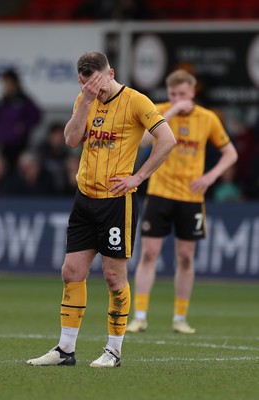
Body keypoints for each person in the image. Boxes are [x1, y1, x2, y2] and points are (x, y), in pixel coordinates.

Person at [26, 51, 176, 368]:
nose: (96, 90)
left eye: (98, 83)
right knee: (71, 272)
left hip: (115, 201)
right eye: (85, 83)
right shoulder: (85, 99)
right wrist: (84, 101)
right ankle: (65, 350)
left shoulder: (137, 101)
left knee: (113, 277)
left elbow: (167, 139)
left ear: (111, 73)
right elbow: (70, 140)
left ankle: (114, 350)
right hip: (84, 198)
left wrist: (139, 176)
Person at [126, 69, 238, 334]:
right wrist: (173, 111)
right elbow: (141, 141)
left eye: (182, 94)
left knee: (186, 257)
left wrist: (210, 177)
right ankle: (140, 315)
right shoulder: (159, 111)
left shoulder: (207, 118)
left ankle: (180, 318)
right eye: (173, 94)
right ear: (168, 93)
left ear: (193, 92)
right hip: (160, 192)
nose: (178, 98)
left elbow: (230, 153)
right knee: (150, 253)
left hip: (190, 196)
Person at [0, 68, 42, 170]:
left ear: (14, 83)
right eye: (4, 83)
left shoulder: (23, 100)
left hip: (20, 146)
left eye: (7, 83)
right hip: (3, 146)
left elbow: (36, 116)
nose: (5, 86)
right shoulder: (2, 101)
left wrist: (24, 126)